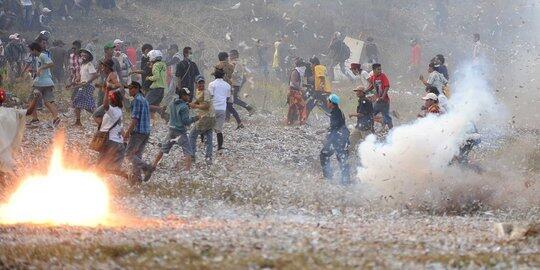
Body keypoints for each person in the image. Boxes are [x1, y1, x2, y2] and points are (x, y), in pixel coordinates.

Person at [147, 87, 199, 178]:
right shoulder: (184, 107)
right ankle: (187, 171)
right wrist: (195, 118)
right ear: (183, 96)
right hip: (180, 132)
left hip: (171, 130)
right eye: (187, 95)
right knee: (188, 151)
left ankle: (154, 165)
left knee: (163, 149)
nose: (189, 97)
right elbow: (186, 121)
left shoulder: (173, 103)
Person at [123, 81, 153, 184]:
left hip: (138, 132)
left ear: (136, 88)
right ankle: (137, 180)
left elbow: (135, 119)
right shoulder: (144, 100)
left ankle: (147, 167)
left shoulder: (137, 100)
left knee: (128, 154)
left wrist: (127, 133)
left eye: (131, 89)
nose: (129, 91)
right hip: (146, 132)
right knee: (137, 156)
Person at [95, 88, 128, 179]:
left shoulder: (113, 111)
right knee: (107, 166)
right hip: (117, 143)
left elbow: (105, 105)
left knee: (101, 165)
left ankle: (125, 175)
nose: (109, 98)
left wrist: (106, 91)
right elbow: (120, 128)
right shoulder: (118, 111)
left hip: (110, 142)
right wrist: (125, 139)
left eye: (110, 97)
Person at [320, 94, 350, 185]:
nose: (327, 103)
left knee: (324, 154)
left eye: (328, 101)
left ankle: (329, 177)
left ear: (331, 103)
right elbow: (335, 126)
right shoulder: (336, 111)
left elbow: (335, 128)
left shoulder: (335, 113)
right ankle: (345, 180)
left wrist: (328, 138)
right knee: (341, 158)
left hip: (338, 138)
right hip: (340, 137)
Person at [28, 42, 60, 126]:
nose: (30, 53)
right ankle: (56, 118)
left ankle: (35, 119)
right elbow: (43, 69)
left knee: (31, 101)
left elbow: (51, 63)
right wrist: (36, 71)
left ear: (34, 50)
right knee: (48, 102)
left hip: (39, 83)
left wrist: (41, 68)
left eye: (31, 51)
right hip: (48, 82)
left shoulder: (42, 55)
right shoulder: (39, 58)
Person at [189, 75, 215, 165]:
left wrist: (195, 106)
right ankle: (208, 158)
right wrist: (191, 104)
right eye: (199, 83)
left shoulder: (206, 92)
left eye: (202, 83)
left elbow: (207, 105)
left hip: (206, 118)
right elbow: (198, 100)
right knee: (209, 137)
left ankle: (192, 156)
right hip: (209, 117)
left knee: (192, 135)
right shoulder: (198, 91)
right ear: (196, 84)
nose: (201, 85)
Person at [215, 51, 242, 129]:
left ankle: (220, 122)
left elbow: (216, 77)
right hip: (229, 86)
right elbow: (231, 74)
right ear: (226, 58)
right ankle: (239, 122)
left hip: (221, 87)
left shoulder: (217, 66)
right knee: (230, 106)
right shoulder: (231, 65)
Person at [71, 49, 97, 126]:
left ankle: (100, 116)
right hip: (82, 87)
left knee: (88, 106)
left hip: (88, 87)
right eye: (82, 55)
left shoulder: (89, 65)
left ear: (88, 57)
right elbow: (80, 76)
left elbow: (95, 75)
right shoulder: (82, 65)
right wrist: (76, 80)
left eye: (85, 55)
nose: (83, 56)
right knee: (77, 103)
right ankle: (78, 121)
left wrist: (88, 82)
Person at [208, 68, 230, 153]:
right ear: (223, 76)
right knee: (219, 130)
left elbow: (210, 96)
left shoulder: (211, 84)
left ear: (214, 76)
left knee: (207, 127)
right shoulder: (227, 85)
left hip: (213, 108)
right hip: (222, 109)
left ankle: (205, 142)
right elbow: (227, 97)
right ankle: (219, 147)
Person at [94, 59, 122, 125]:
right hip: (111, 98)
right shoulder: (109, 75)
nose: (102, 69)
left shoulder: (112, 74)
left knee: (96, 114)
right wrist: (100, 86)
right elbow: (106, 88)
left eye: (103, 67)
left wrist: (109, 86)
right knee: (113, 118)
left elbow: (118, 85)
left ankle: (105, 129)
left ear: (107, 67)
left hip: (113, 99)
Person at [366, 63, 392, 129]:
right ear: (374, 70)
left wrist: (382, 97)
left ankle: (391, 129)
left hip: (384, 101)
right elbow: (372, 86)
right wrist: (365, 91)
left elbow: (387, 86)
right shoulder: (373, 77)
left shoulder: (383, 76)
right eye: (378, 69)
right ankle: (373, 128)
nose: (380, 71)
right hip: (378, 101)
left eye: (380, 69)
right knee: (371, 114)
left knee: (386, 115)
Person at [229, 49, 255, 115]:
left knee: (233, 99)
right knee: (231, 99)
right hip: (234, 83)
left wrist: (228, 74)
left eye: (231, 55)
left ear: (236, 56)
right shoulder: (234, 63)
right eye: (230, 55)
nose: (230, 57)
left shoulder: (237, 64)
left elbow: (235, 75)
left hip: (235, 84)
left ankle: (249, 108)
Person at [348, 87, 373, 153]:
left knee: (370, 146)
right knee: (351, 141)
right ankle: (346, 155)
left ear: (362, 92)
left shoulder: (364, 101)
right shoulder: (362, 100)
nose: (357, 93)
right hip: (360, 126)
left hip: (365, 127)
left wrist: (352, 114)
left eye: (358, 91)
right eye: (356, 91)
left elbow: (361, 114)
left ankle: (375, 157)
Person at [145, 49, 167, 120]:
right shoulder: (163, 64)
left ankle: (160, 109)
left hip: (155, 88)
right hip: (162, 88)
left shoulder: (155, 66)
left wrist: (149, 78)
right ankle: (167, 117)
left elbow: (156, 76)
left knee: (145, 104)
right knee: (153, 108)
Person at [287, 57, 307, 125]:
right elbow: (294, 82)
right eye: (303, 65)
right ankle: (301, 122)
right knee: (302, 106)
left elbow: (298, 82)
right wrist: (301, 89)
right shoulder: (295, 72)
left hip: (295, 91)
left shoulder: (299, 72)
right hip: (294, 92)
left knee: (293, 108)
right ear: (300, 65)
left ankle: (290, 122)